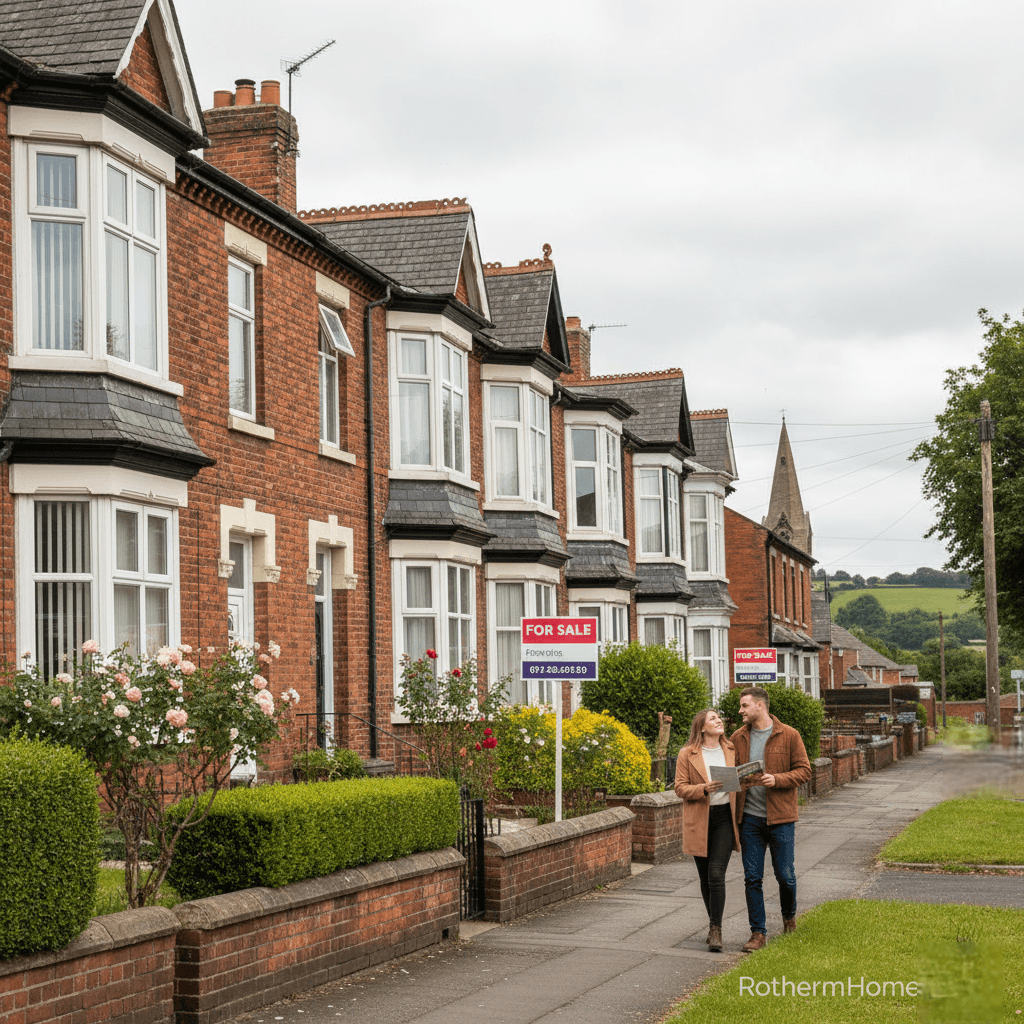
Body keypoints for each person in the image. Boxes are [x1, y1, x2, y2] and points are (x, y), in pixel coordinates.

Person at [730, 685, 811, 952]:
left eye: (744, 705)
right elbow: (730, 774)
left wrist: (777, 779)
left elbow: (804, 771)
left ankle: (789, 918)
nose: (740, 711)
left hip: (781, 819)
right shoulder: (738, 737)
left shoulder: (789, 735)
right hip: (749, 820)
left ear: (760, 706)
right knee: (752, 877)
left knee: (785, 876)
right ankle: (758, 933)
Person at [674, 708, 740, 952]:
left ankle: (716, 929)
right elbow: (680, 788)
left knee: (716, 873)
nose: (719, 720)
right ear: (702, 727)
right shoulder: (687, 753)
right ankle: (713, 924)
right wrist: (703, 788)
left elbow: (741, 779)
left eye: (719, 717)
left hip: (724, 818)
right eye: (713, 718)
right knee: (705, 878)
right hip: (699, 819)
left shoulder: (731, 749)